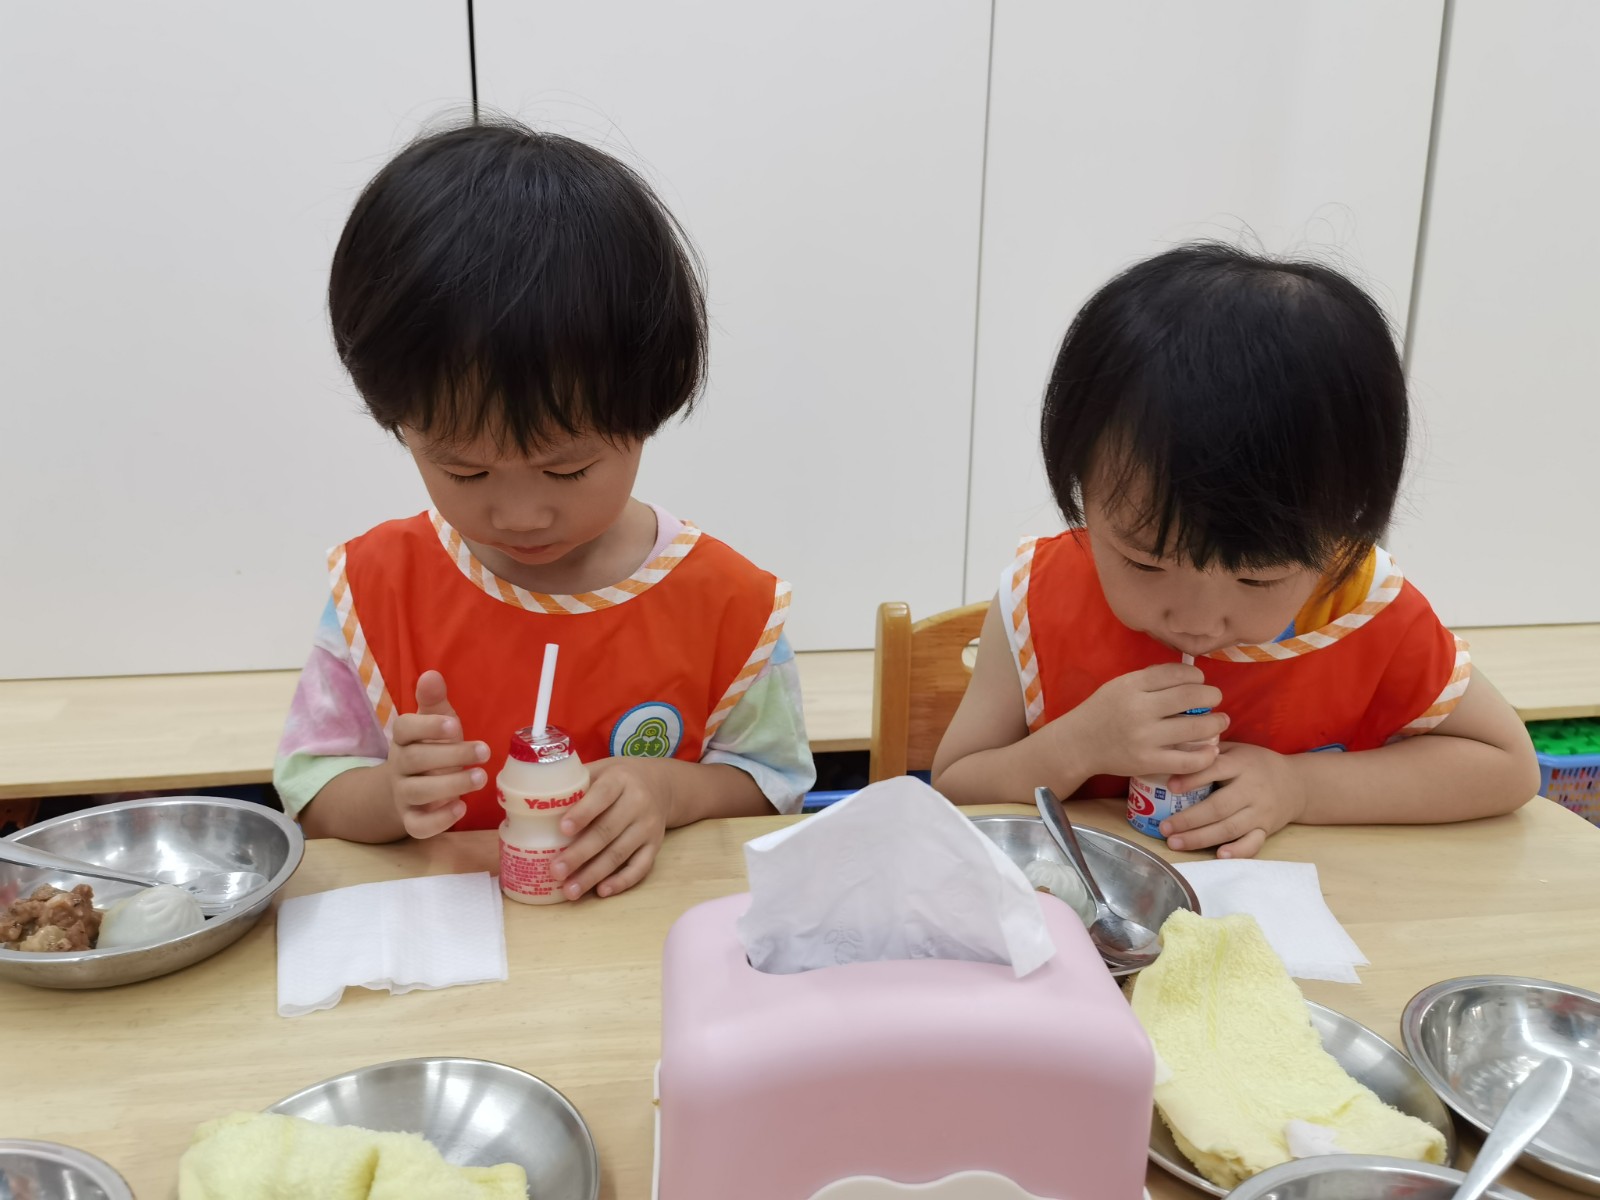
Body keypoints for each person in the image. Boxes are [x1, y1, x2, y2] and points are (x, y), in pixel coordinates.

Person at [274, 119, 815, 898]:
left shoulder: (728, 605)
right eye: (465, 471)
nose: (521, 515)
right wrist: (391, 796)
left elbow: (773, 786)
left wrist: (667, 790)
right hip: (451, 953)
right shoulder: (378, 588)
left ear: (647, 413)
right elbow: (310, 790)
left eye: (568, 469)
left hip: (641, 952)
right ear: (400, 426)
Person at [933, 244, 1539, 857]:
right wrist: (1077, 746)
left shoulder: (1363, 609)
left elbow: (1508, 766)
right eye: (1144, 562)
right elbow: (956, 785)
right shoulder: (1039, 600)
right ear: (1080, 489)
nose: (1196, 622)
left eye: (1258, 579)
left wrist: (1300, 788)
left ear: (1343, 528)